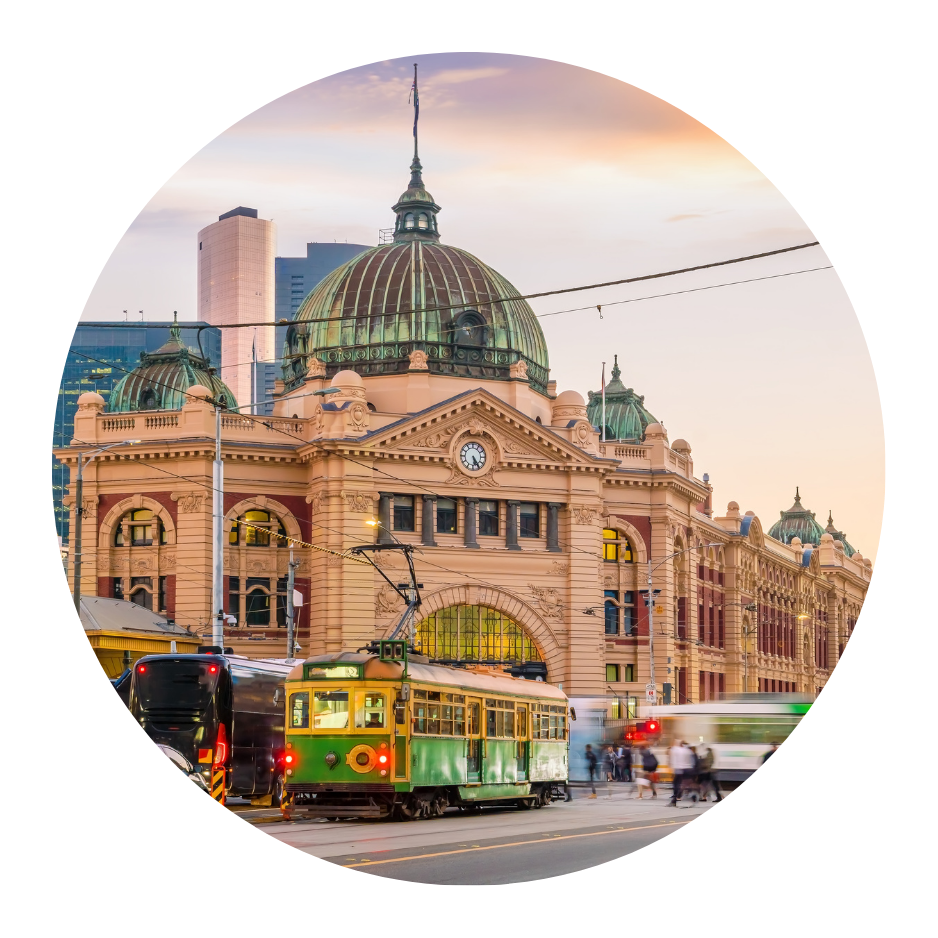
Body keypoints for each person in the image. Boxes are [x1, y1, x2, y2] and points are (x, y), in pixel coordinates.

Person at [669, 739, 694, 806]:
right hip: (688, 769)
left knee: (676, 784)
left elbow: (672, 759)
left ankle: (674, 800)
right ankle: (693, 797)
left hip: (679, 769)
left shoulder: (676, 750)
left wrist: (672, 768)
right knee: (686, 784)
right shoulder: (688, 751)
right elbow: (692, 761)